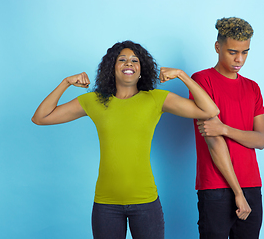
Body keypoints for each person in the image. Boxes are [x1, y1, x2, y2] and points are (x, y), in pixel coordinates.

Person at [31, 40, 219, 239]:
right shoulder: (95, 100)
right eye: (122, 60)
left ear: (141, 69)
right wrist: (66, 82)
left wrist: (182, 75)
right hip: (106, 205)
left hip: (146, 202)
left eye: (134, 60)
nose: (129, 63)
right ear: (112, 67)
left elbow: (211, 110)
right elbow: (40, 117)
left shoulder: (156, 99)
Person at [189, 17, 264, 239]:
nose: (239, 59)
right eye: (233, 52)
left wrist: (224, 128)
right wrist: (237, 192)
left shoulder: (253, 88)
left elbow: (260, 140)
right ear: (217, 47)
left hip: (251, 184)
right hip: (215, 185)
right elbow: (212, 141)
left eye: (245, 52)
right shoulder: (202, 80)